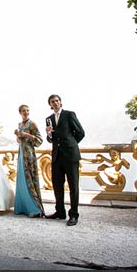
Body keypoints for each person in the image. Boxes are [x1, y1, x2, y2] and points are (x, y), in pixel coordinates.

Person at [44, 94, 85, 226]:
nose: (55, 103)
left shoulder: (69, 115)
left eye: (57, 101)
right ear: (50, 105)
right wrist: (49, 134)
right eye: (52, 102)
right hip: (56, 156)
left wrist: (71, 145)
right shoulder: (48, 119)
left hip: (71, 155)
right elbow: (51, 139)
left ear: (60, 102)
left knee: (73, 186)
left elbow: (80, 133)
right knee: (57, 185)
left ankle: (73, 215)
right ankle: (60, 211)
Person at [13, 104, 45, 218]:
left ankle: (36, 208)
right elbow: (19, 140)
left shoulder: (32, 124)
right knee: (22, 179)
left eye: (27, 110)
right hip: (21, 154)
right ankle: (23, 207)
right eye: (23, 111)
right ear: (20, 112)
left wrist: (26, 134)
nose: (26, 112)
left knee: (30, 178)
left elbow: (40, 140)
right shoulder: (20, 124)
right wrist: (18, 136)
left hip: (29, 154)